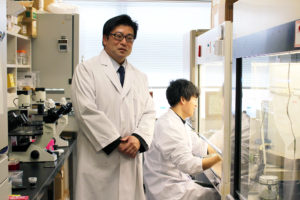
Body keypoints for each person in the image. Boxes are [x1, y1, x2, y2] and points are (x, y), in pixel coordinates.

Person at [71, 14, 156, 200]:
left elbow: (149, 113)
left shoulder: (140, 77)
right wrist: (117, 142)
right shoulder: (86, 70)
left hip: (131, 158)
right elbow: (86, 111)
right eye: (118, 36)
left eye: (129, 38)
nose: (123, 42)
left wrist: (138, 139)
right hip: (99, 160)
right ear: (105, 39)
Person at [144, 79, 222, 200]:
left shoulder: (177, 121)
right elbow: (188, 165)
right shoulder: (168, 126)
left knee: (214, 192)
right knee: (218, 196)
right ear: (183, 99)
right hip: (168, 191)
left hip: (177, 183)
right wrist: (219, 158)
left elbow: (201, 146)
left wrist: (219, 154)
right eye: (194, 99)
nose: (196, 104)